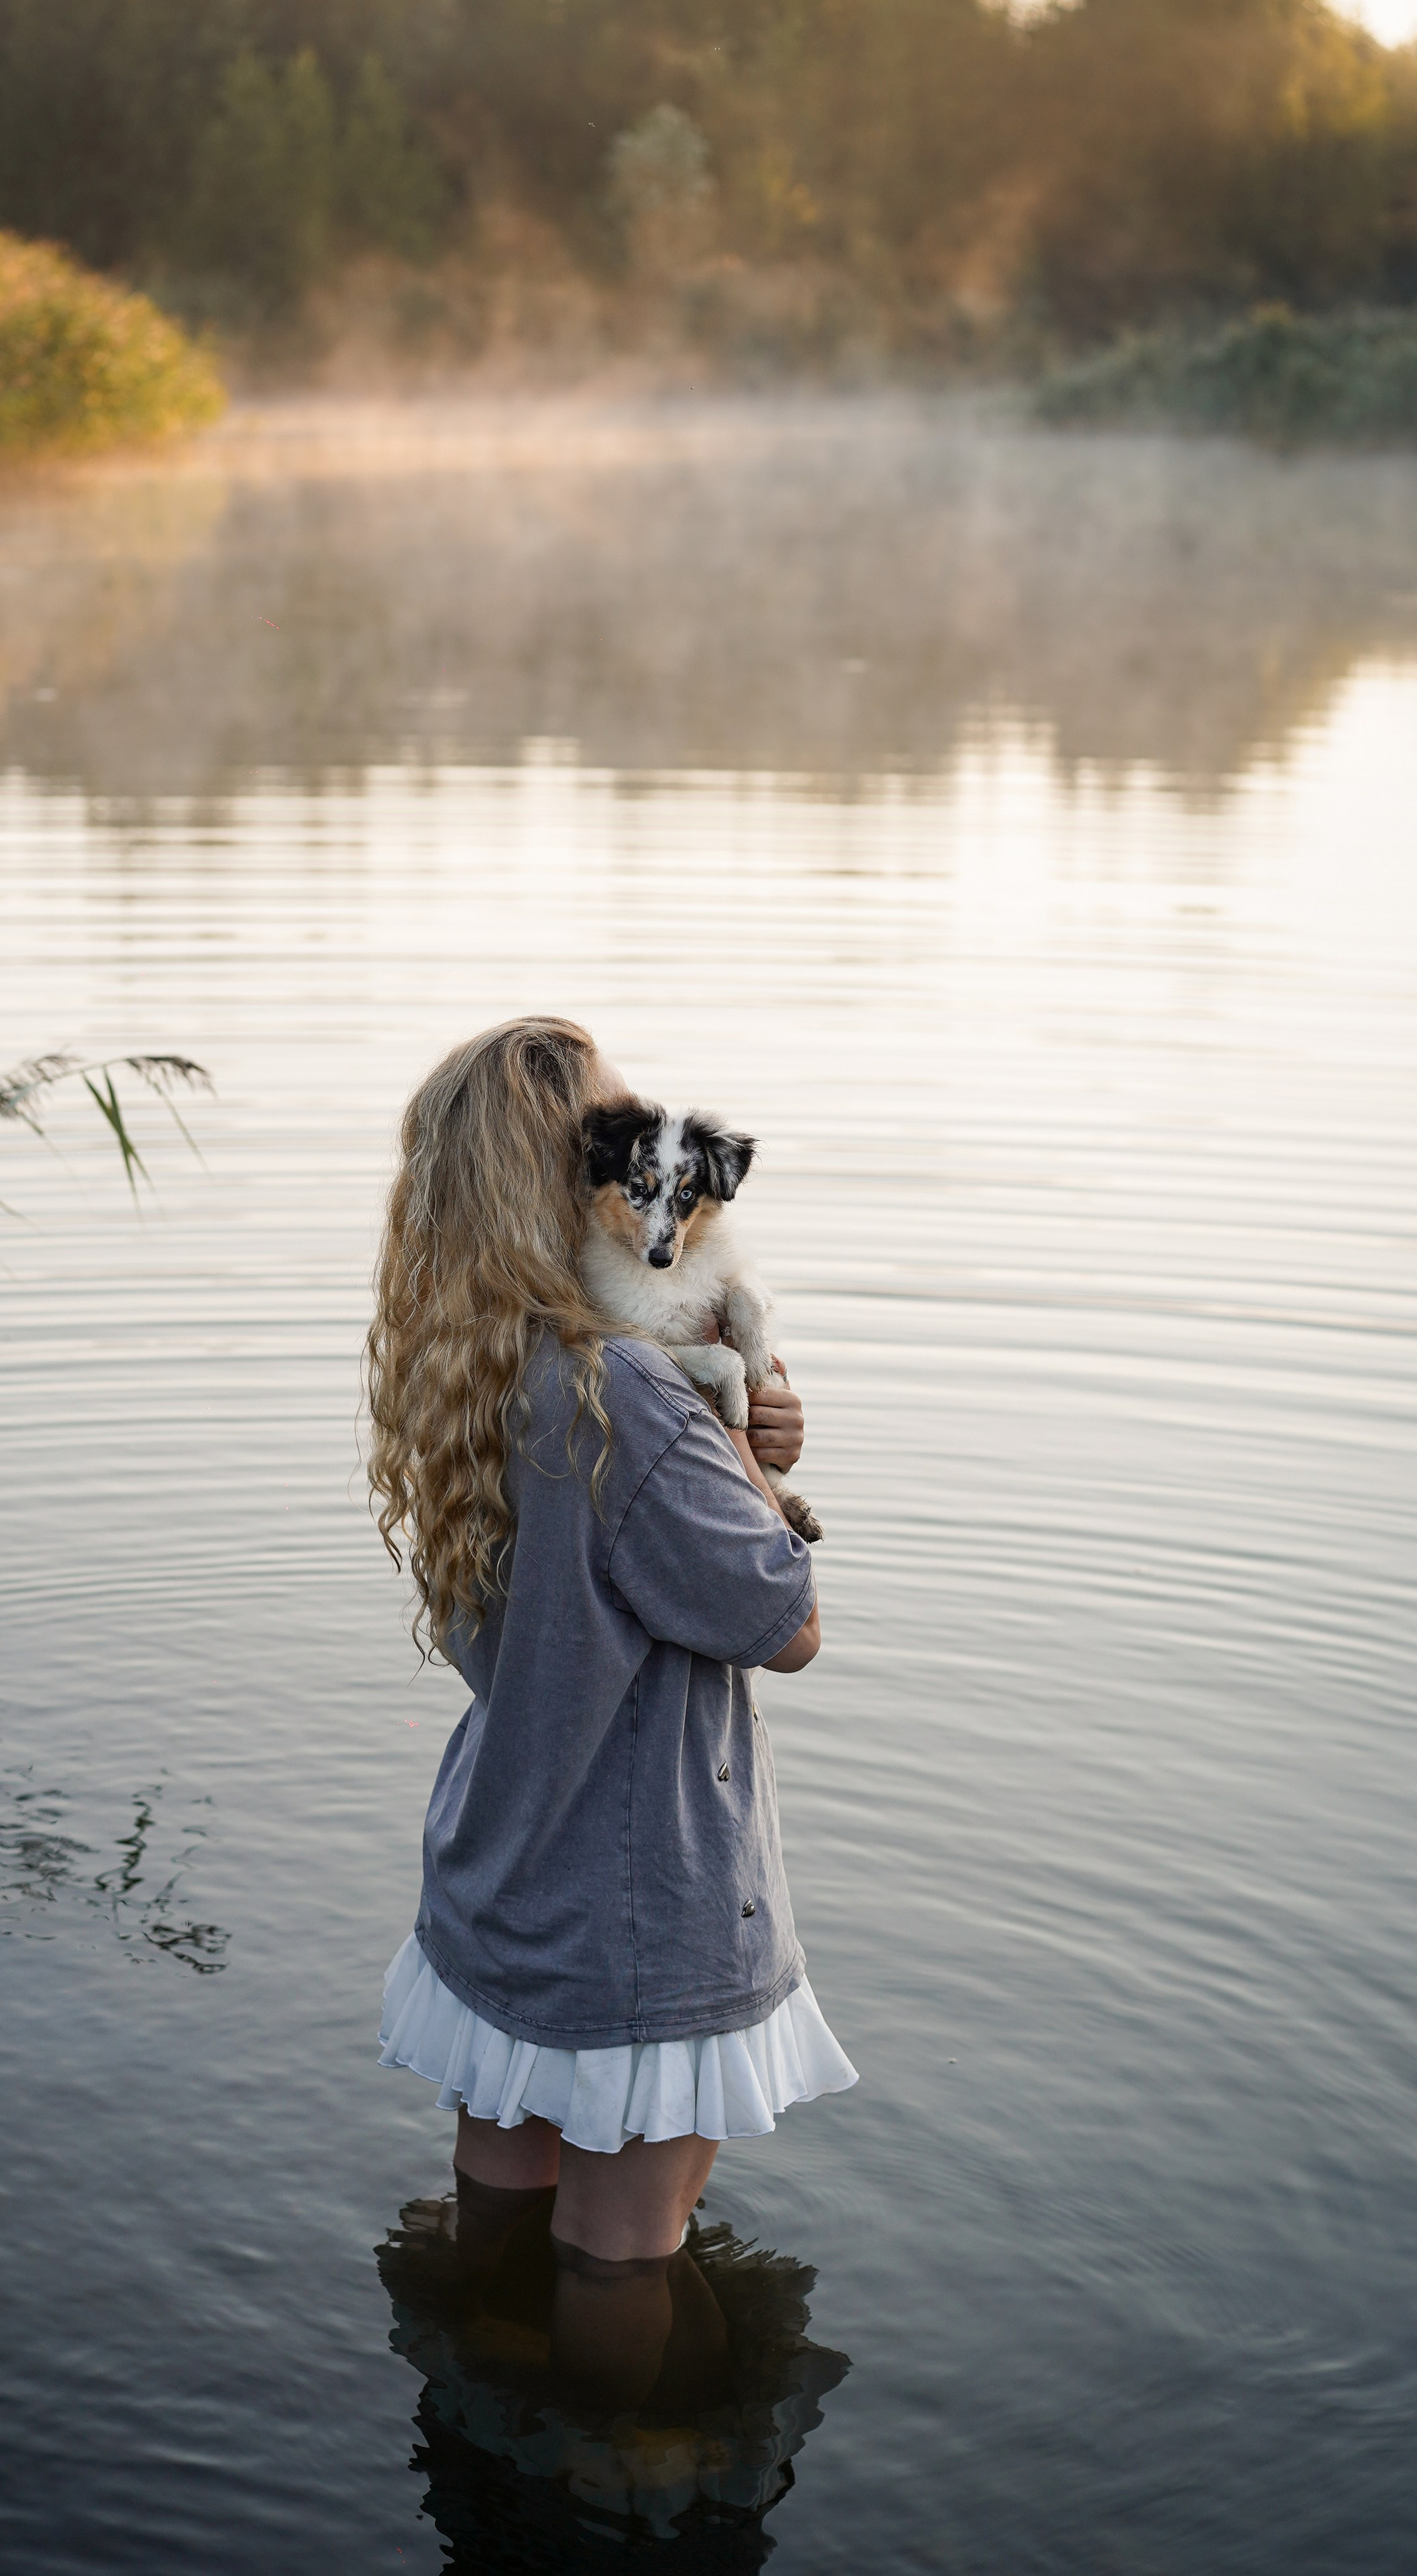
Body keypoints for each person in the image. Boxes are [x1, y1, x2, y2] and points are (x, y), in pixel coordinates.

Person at [368, 1017, 856, 2408]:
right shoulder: (626, 1399)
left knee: (507, 2195)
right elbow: (786, 1625)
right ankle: (603, 2498)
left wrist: (737, 1433)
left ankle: (478, 2428)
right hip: (636, 1909)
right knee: (617, 2260)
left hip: (500, 1871)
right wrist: (744, 1470)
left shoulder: (459, 1368)